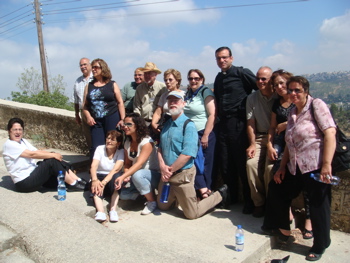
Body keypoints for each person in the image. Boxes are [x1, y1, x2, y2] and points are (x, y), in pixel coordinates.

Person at [262, 76, 336, 261]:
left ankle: (320, 245)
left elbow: (330, 133)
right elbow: (289, 143)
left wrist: (326, 165)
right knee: (277, 188)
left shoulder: (316, 105)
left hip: (315, 166)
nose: (293, 93)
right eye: (291, 90)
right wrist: (282, 166)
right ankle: (283, 230)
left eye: (298, 90)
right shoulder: (292, 113)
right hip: (295, 167)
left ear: (306, 91)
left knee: (319, 206)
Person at [156, 91, 228, 220]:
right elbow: (160, 148)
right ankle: (177, 197)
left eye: (176, 101)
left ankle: (219, 195)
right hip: (166, 176)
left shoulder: (188, 125)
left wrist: (169, 171)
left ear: (183, 104)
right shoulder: (166, 125)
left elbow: (187, 154)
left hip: (182, 176)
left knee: (191, 214)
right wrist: (162, 167)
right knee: (162, 206)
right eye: (170, 101)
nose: (172, 103)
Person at [213, 46, 258, 213]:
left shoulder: (242, 73)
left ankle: (249, 201)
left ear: (231, 58)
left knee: (241, 163)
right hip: (223, 124)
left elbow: (260, 88)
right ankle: (230, 198)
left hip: (239, 124)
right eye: (218, 58)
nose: (222, 60)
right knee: (225, 164)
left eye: (224, 57)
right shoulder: (218, 78)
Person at [3, 118, 86, 193]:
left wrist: (53, 154)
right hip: (24, 182)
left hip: (32, 174)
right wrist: (53, 156)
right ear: (9, 131)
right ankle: (73, 184)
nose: (18, 132)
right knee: (51, 161)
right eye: (15, 130)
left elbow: (36, 151)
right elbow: (32, 154)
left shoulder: (22, 141)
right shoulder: (9, 145)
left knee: (53, 161)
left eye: (20, 129)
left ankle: (78, 180)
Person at [114, 113, 161, 215]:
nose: (125, 127)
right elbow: (127, 164)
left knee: (138, 175)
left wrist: (124, 176)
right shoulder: (128, 142)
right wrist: (126, 174)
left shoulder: (147, 141)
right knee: (123, 195)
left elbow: (139, 164)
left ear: (137, 125)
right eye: (124, 124)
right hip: (136, 176)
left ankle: (152, 201)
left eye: (129, 124)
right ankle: (145, 193)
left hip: (152, 175)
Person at [246, 66, 275, 217]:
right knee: (251, 164)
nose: (260, 81)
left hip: (275, 139)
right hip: (259, 137)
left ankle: (272, 203)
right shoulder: (252, 98)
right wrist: (252, 143)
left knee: (270, 169)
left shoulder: (278, 96)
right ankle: (259, 203)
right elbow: (250, 123)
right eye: (258, 78)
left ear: (271, 80)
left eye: (264, 78)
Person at [82, 58, 125, 159]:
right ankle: (97, 170)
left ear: (103, 68)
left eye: (96, 67)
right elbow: (84, 105)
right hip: (96, 120)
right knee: (96, 147)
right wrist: (88, 116)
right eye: (92, 67)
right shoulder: (89, 86)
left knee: (113, 144)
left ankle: (114, 168)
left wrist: (122, 119)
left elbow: (120, 102)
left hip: (112, 117)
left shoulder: (112, 84)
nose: (93, 69)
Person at [184, 69, 216, 199]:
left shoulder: (205, 92)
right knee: (194, 163)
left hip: (203, 132)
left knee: (205, 164)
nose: (193, 81)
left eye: (196, 78)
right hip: (191, 133)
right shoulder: (189, 94)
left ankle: (207, 191)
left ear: (201, 79)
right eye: (191, 78)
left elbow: (212, 115)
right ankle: (200, 191)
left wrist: (205, 135)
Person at [90, 130, 124, 223]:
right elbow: (94, 166)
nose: (109, 141)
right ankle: (100, 212)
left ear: (118, 143)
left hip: (111, 176)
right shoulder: (100, 148)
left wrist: (104, 183)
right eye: (108, 138)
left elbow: (116, 169)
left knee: (117, 178)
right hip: (99, 175)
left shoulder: (120, 152)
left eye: (112, 140)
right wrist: (94, 180)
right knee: (95, 186)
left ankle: (113, 210)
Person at [151, 68, 185, 134]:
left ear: (177, 81)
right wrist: (154, 124)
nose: (167, 82)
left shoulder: (183, 95)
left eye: (170, 80)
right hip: (165, 126)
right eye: (166, 80)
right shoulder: (164, 95)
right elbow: (158, 112)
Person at [73, 57, 93, 149]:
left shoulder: (95, 78)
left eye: (85, 64)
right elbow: (76, 100)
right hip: (83, 111)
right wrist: (77, 114)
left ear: (90, 65)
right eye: (81, 65)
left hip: (95, 110)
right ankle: (92, 157)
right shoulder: (77, 81)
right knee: (88, 137)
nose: (83, 67)